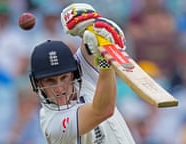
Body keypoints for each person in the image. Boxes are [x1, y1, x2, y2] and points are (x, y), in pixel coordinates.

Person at [29, 3, 135, 144]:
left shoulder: (81, 74)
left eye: (64, 78)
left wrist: (92, 29)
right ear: (38, 84)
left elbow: (89, 44)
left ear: (74, 74)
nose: (60, 88)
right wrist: (105, 60)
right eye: (50, 81)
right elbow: (103, 110)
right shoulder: (53, 124)